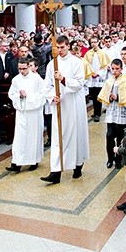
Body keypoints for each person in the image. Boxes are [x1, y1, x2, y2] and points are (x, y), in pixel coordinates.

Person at [41, 36, 90, 184]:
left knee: (75, 135)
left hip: (74, 104)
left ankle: (77, 165)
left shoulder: (76, 62)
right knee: (57, 137)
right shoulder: (52, 64)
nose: (59, 50)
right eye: (57, 47)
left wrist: (63, 79)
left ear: (68, 46)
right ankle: (55, 172)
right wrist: (51, 97)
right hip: (60, 105)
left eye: (62, 47)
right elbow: (46, 86)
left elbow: (79, 83)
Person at [98, 58, 126, 169]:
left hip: (121, 113)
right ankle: (110, 158)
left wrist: (118, 97)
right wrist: (109, 98)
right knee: (109, 136)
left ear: (121, 69)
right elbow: (104, 98)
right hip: (111, 113)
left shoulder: (125, 82)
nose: (114, 71)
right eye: (113, 69)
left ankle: (119, 159)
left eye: (117, 69)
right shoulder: (108, 81)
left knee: (121, 137)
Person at [6, 59, 46, 172]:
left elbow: (42, 94)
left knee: (33, 137)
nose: (22, 71)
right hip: (21, 112)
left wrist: (27, 96)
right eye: (20, 69)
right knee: (19, 137)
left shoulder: (37, 79)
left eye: (24, 68)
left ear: (29, 67)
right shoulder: (16, 79)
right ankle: (16, 162)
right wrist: (19, 96)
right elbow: (11, 93)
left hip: (34, 112)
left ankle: (34, 160)